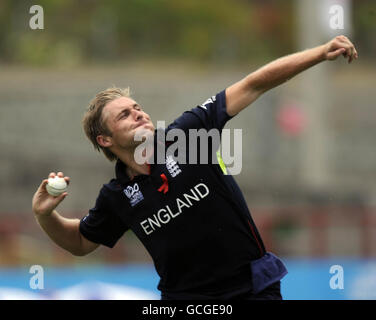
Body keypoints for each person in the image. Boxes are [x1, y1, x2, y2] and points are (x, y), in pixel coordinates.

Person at [32, 35, 358, 300]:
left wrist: (319, 53)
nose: (139, 114)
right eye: (124, 115)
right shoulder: (116, 196)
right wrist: (46, 215)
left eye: (138, 108)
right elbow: (79, 242)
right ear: (105, 140)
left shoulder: (186, 136)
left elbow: (253, 85)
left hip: (251, 290)